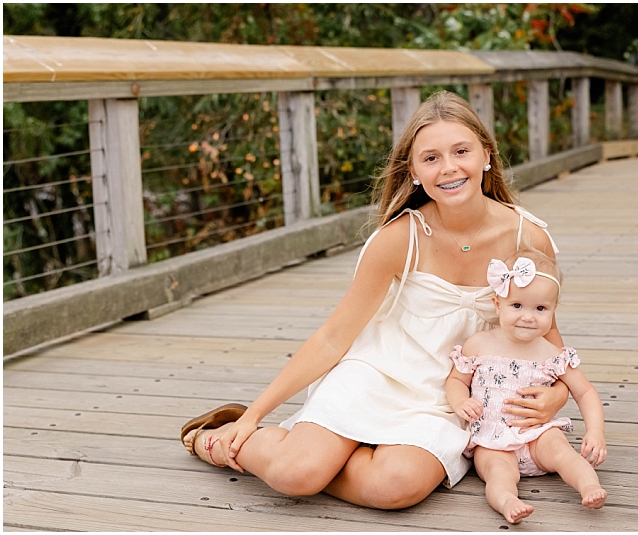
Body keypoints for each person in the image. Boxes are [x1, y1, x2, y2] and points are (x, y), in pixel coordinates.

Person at [180, 90, 570, 510]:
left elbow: (549, 337)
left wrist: (559, 394)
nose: (449, 168)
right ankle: (220, 438)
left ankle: (318, 450)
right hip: (377, 373)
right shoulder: (398, 238)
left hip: (452, 396)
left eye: (461, 151)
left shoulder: (527, 237)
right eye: (431, 157)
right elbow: (333, 337)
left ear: (487, 156)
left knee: (394, 487)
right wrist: (255, 412)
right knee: (296, 474)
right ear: (415, 171)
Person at [446, 248, 607, 524]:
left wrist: (596, 432)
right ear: (498, 305)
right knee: (498, 473)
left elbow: (585, 392)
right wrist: (461, 401)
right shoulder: (479, 344)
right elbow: (456, 380)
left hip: (537, 434)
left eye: (540, 308)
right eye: (517, 306)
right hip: (492, 439)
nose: (528, 317)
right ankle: (507, 501)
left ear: (553, 310)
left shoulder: (552, 354)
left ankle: (588, 486)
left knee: (564, 454)